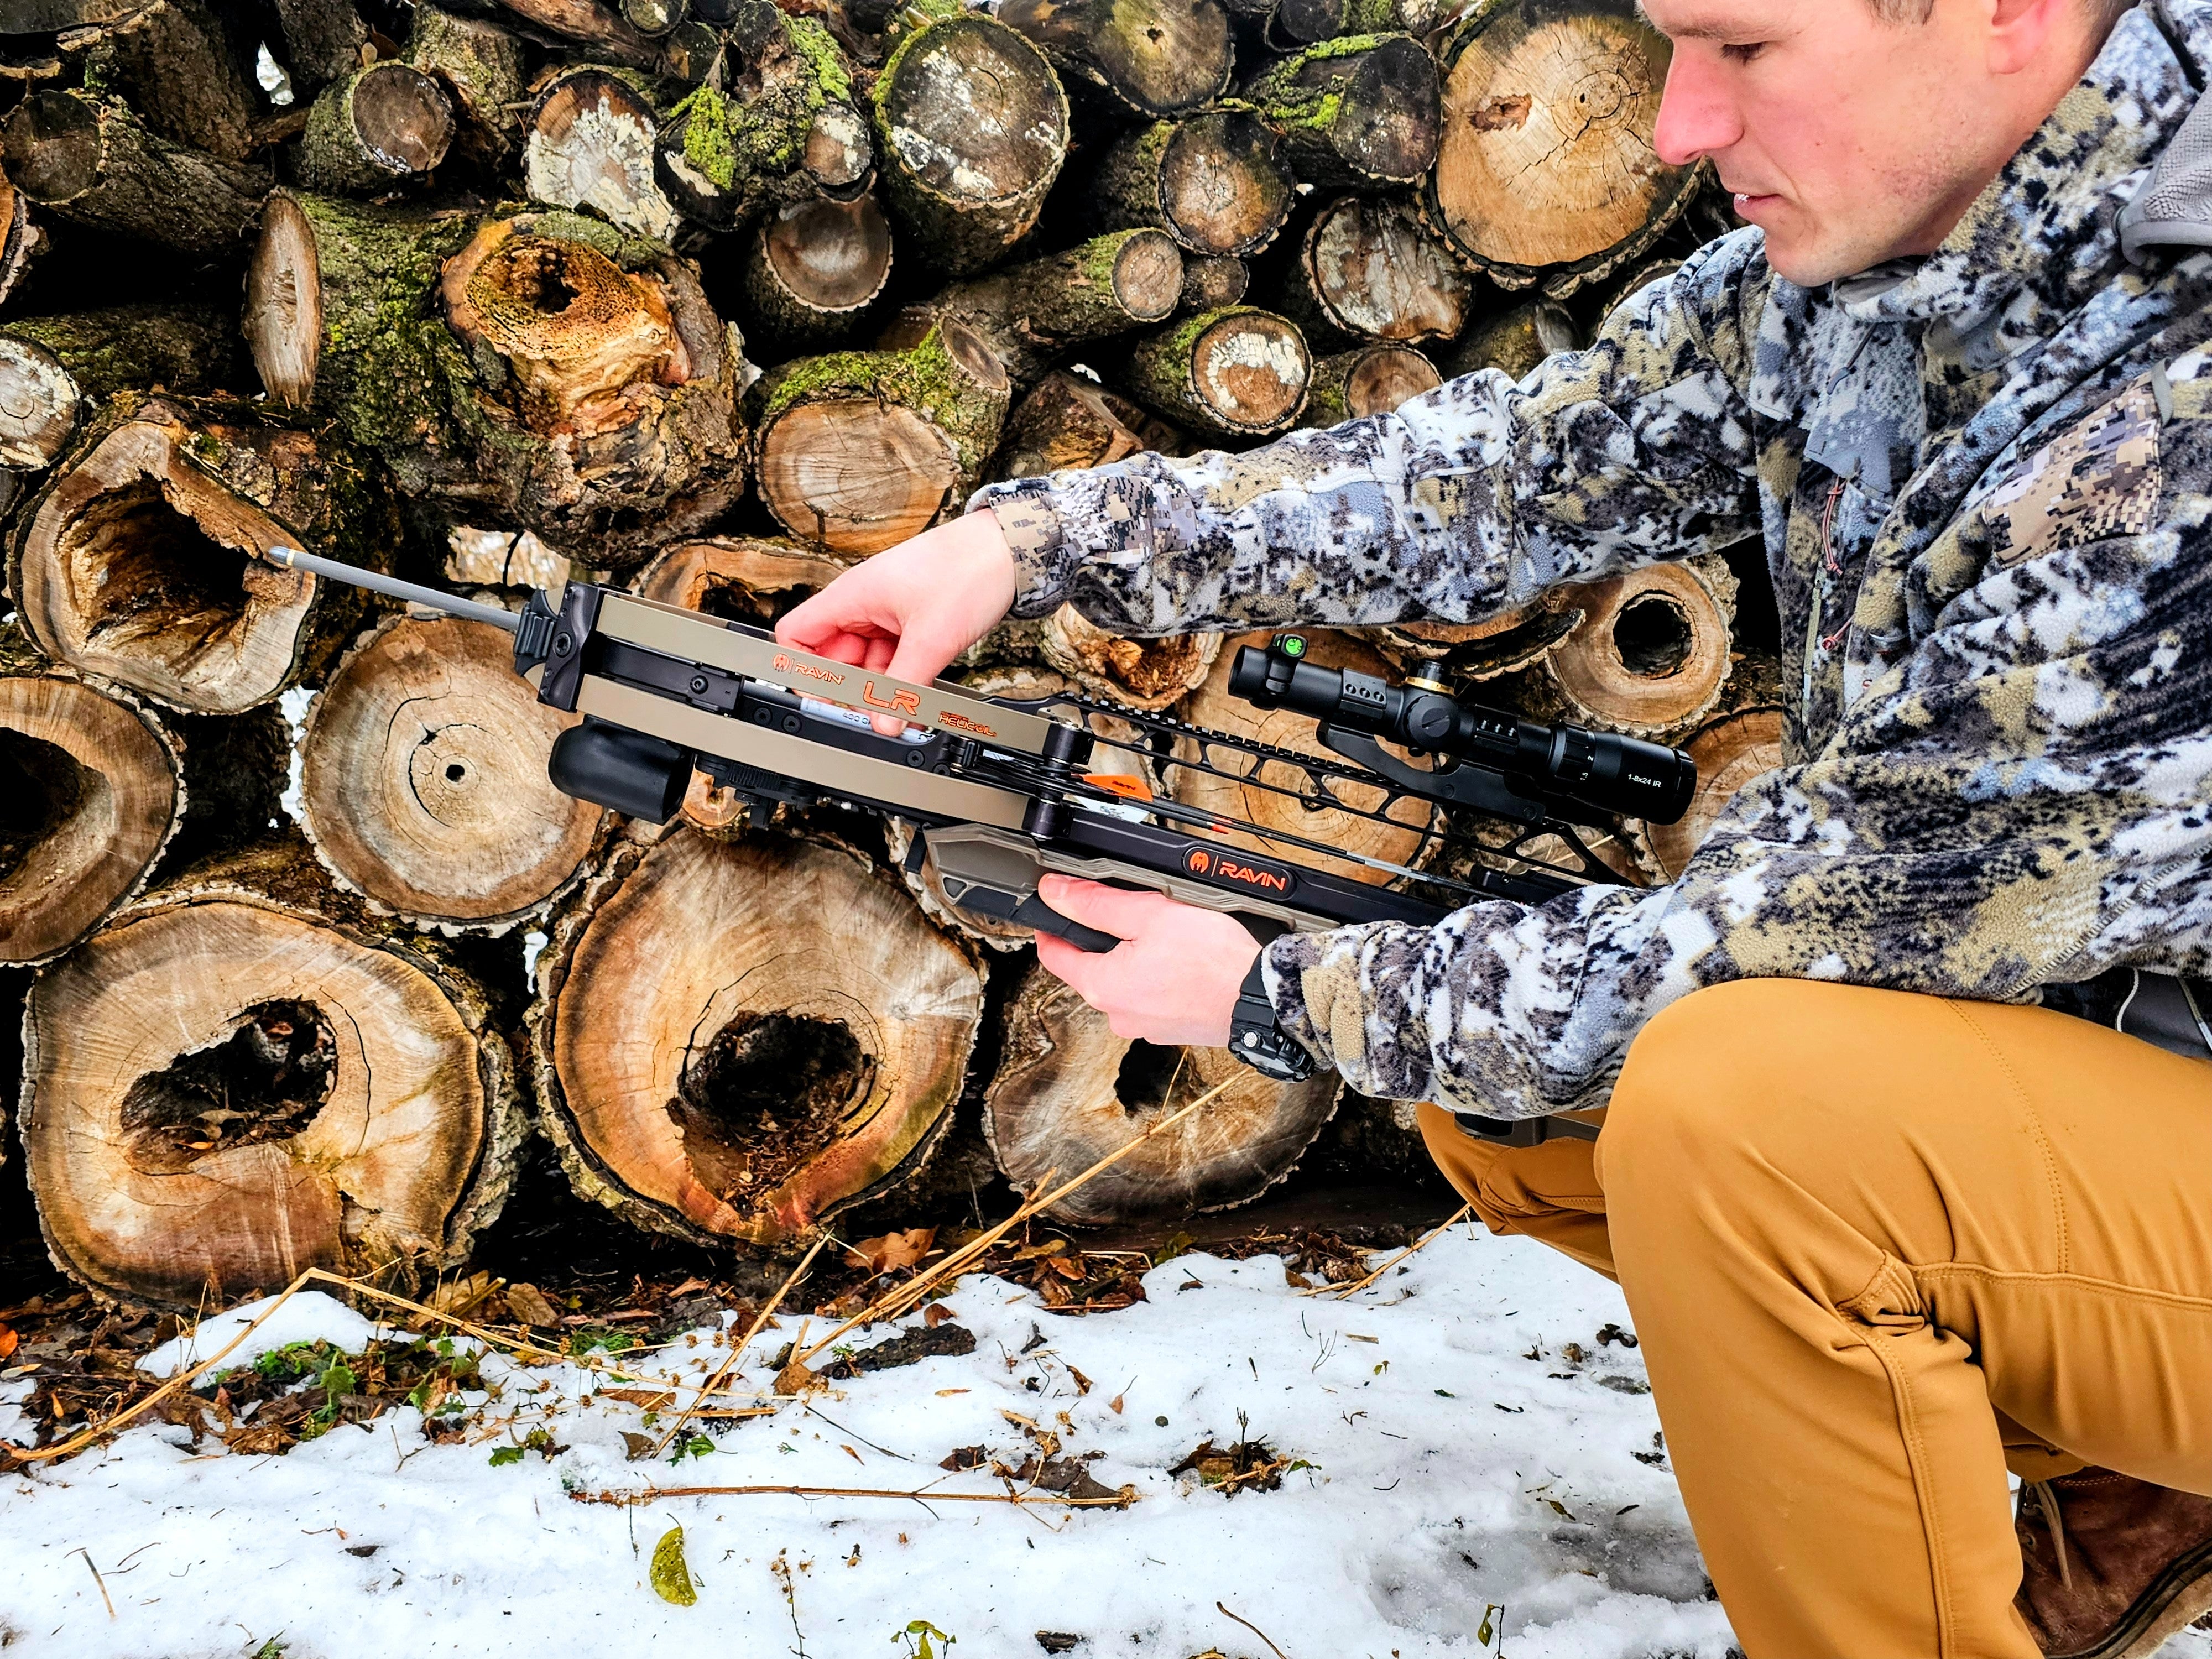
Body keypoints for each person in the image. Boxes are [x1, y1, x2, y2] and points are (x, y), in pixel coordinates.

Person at [780, 0, 2212, 1652]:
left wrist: (1274, 995)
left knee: (1732, 1118)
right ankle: (2137, 1470)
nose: (1676, 127)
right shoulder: (1916, 230)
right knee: (1512, 1091)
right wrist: (1032, 552)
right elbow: (1516, 469)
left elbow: (1727, 962)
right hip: (2139, 1061)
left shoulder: (2173, 430)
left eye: (1742, 51)